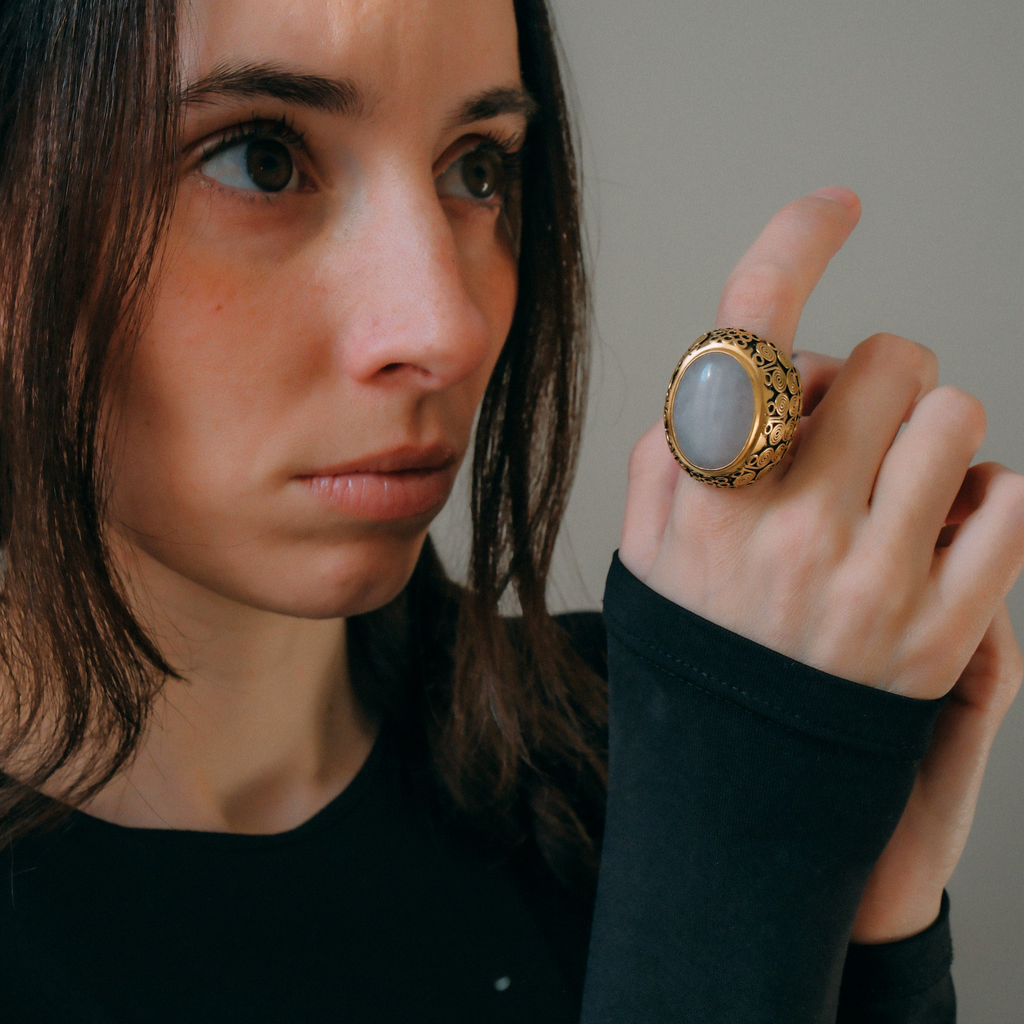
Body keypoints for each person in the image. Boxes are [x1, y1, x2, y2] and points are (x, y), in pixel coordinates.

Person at [1, 0, 1021, 1021]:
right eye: (261, 159)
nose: (445, 323)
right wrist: (728, 901)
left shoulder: (654, 755)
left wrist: (850, 923)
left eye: (475, 168)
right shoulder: (711, 803)